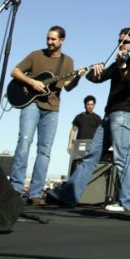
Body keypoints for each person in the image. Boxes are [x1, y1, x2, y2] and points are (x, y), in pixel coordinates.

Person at [48, 28, 130, 212]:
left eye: (125, 41)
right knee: (91, 156)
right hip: (109, 115)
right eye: (119, 41)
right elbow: (98, 79)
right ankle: (68, 196)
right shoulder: (117, 63)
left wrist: (123, 67)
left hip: (122, 114)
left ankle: (129, 202)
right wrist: (95, 73)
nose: (121, 45)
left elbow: (129, 83)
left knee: (121, 156)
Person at [9, 25, 86, 205]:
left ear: (62, 41)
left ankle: (35, 193)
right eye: (48, 38)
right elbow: (15, 71)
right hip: (31, 104)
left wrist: (78, 77)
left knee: (45, 150)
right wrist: (32, 82)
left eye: (53, 39)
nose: (49, 42)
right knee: (24, 142)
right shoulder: (36, 55)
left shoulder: (68, 62)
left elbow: (68, 87)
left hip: (52, 108)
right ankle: (15, 189)